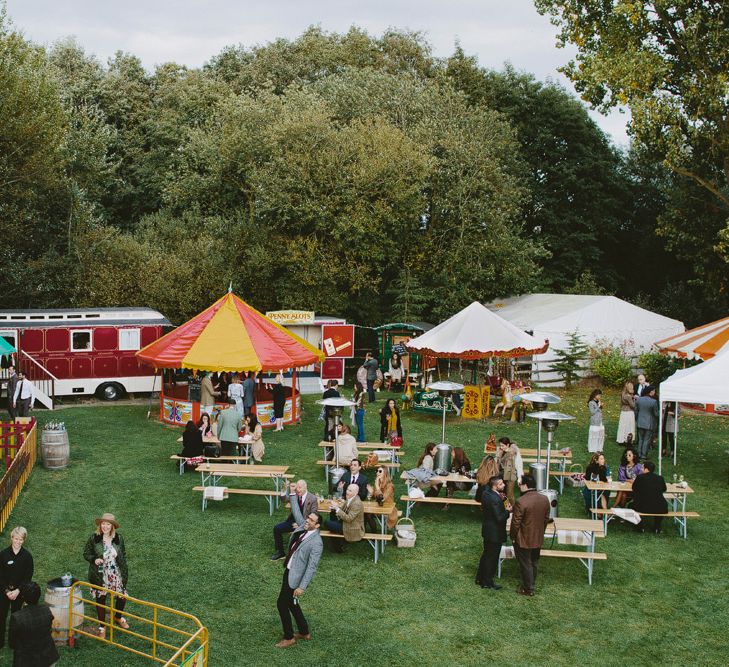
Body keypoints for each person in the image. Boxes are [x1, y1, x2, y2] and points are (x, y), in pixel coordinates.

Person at [275, 485, 323, 649]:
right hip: (289, 570)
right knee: (291, 603)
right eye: (308, 518)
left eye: (311, 520)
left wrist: (302, 587)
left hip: (295, 577)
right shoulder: (304, 527)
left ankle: (289, 637)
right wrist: (293, 493)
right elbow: (296, 512)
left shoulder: (316, 543)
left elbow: (312, 567)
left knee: (282, 604)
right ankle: (304, 631)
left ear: (317, 526)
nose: (307, 521)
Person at [83, 513, 129, 637]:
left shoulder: (119, 538)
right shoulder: (94, 538)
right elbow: (86, 553)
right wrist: (94, 559)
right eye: (103, 523)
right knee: (101, 598)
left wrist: (122, 565)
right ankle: (102, 627)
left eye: (108, 524)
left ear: (112, 526)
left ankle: (118, 617)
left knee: (121, 596)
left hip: (115, 572)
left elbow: (123, 553)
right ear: (100, 524)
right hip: (100, 574)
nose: (105, 526)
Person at [510, 474, 551, 597]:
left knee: (526, 562)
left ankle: (528, 588)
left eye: (520, 484)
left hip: (523, 538)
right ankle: (531, 582)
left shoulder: (521, 502)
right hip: (537, 536)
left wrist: (512, 536)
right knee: (534, 561)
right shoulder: (544, 499)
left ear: (526, 485)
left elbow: (515, 523)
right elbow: (546, 519)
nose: (519, 486)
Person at [8, 581, 59, 667]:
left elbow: (12, 643)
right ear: (39, 595)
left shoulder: (16, 618)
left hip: (27, 661)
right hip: (48, 657)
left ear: (23, 597)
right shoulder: (46, 610)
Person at [0, 527, 33, 649]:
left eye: (21, 539)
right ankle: (0, 641)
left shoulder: (27, 557)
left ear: (24, 540)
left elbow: (28, 577)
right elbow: (0, 576)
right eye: (16, 538)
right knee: (1, 615)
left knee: (16, 616)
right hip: (3, 591)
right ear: (11, 538)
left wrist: (18, 590)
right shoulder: (3, 555)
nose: (18, 542)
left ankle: (13, 643)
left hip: (19, 592)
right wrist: (7, 591)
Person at [476, 475, 510, 590]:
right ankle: (487, 581)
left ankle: (480, 577)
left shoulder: (486, 493)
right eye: (501, 484)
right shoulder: (495, 499)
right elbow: (499, 518)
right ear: (495, 486)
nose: (504, 485)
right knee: (492, 558)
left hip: (487, 530)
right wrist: (507, 511)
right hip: (495, 532)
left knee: (486, 555)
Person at [271, 480, 319, 561]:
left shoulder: (313, 498)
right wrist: (284, 489)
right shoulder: (295, 494)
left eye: (300, 488)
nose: (298, 490)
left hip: (304, 523)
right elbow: (284, 499)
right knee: (277, 528)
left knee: (296, 536)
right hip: (291, 522)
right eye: (297, 487)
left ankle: (297, 553)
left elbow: (314, 514)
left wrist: (302, 524)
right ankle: (280, 552)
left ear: (305, 487)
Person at [324, 483, 365, 552]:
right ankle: (338, 546)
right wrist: (335, 507)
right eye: (347, 489)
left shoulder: (357, 503)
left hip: (352, 527)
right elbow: (343, 510)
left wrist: (337, 508)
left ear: (356, 493)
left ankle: (337, 546)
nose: (347, 492)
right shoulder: (351, 498)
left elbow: (349, 519)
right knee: (332, 513)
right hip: (346, 522)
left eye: (350, 491)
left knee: (326, 523)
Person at [632, 461, 668, 534]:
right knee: (659, 504)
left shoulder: (640, 477)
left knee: (631, 505)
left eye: (642, 467)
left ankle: (640, 526)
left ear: (646, 469)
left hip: (643, 507)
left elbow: (634, 488)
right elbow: (664, 489)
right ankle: (657, 527)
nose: (641, 469)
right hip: (660, 507)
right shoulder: (660, 478)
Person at [495, 437, 522, 507]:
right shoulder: (500, 451)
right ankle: (504, 508)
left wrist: (520, 477)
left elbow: (519, 464)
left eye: (502, 446)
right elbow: (497, 461)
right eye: (500, 445)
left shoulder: (514, 452)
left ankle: (513, 509)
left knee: (509, 494)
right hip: (501, 473)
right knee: (501, 493)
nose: (501, 447)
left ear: (507, 445)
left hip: (511, 474)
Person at [634, 386, 659, 460]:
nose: (654, 393)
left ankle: (639, 453)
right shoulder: (653, 402)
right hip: (649, 423)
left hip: (640, 422)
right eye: (654, 391)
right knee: (646, 439)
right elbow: (656, 414)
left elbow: (636, 411)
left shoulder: (639, 400)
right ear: (650, 392)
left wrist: (637, 419)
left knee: (640, 439)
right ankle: (643, 455)